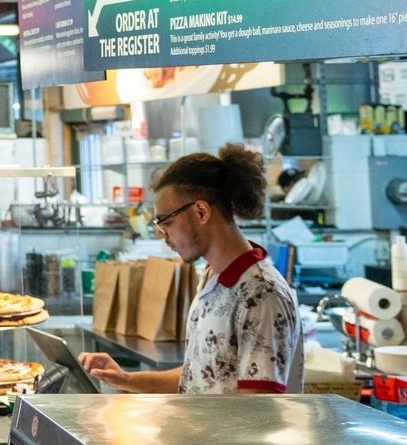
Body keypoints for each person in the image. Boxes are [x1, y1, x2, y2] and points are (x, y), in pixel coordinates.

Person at [78, 144, 304, 395]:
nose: (163, 236)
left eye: (167, 222)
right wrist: (127, 380)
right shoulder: (211, 277)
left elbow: (259, 411)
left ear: (202, 211)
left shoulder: (261, 294)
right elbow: (200, 375)